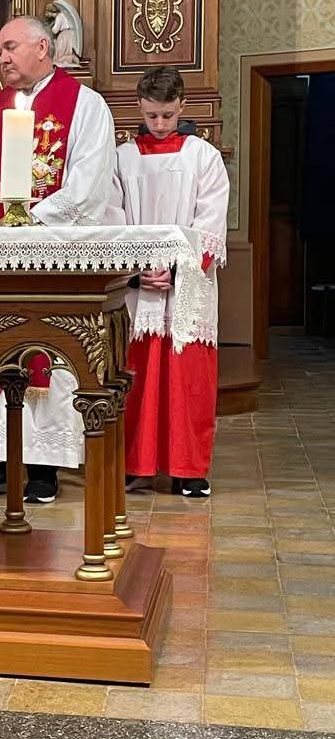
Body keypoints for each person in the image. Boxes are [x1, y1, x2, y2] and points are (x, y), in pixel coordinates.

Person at [0, 16, 116, 503]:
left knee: (49, 355)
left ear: (43, 47)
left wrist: (29, 223)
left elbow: (88, 183)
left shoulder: (85, 105)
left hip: (50, 255)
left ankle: (43, 466)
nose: (1, 58)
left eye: (10, 47)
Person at [116, 67, 229, 497]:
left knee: (188, 378)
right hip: (141, 285)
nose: (159, 124)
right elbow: (112, 219)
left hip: (187, 286)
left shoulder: (204, 157)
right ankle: (137, 464)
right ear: (140, 108)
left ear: (182, 106)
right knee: (138, 377)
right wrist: (137, 271)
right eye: (151, 116)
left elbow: (210, 222)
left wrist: (177, 269)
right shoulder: (123, 158)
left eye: (167, 115)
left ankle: (189, 468)